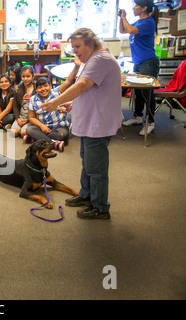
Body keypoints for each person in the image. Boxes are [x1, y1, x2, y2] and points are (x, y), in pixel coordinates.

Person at [41, 28, 122, 220]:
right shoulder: (93, 59)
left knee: (96, 167)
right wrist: (72, 103)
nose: (74, 51)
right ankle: (86, 194)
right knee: (87, 162)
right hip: (90, 122)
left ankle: (100, 207)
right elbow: (91, 90)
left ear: (91, 43)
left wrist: (57, 101)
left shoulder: (100, 59)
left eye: (78, 46)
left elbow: (83, 85)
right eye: (73, 47)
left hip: (98, 124)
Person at [118, 0, 159, 135]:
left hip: (148, 62)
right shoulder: (139, 22)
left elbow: (130, 30)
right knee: (138, 92)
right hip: (139, 62)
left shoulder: (148, 22)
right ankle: (137, 117)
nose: (133, 8)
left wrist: (124, 17)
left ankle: (150, 123)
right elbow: (123, 30)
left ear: (144, 8)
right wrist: (121, 18)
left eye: (136, 6)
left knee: (147, 93)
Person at [26, 56, 82, 151]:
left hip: (58, 127)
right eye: (40, 87)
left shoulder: (56, 92)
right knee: (29, 129)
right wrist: (42, 126)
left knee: (63, 134)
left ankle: (37, 139)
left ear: (50, 86)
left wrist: (76, 67)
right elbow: (31, 117)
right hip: (42, 127)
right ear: (36, 89)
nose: (43, 89)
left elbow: (68, 81)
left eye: (46, 86)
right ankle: (53, 144)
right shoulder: (33, 99)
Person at [11, 65, 37, 139]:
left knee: (23, 133)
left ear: (33, 76)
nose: (25, 79)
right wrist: (18, 118)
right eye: (23, 76)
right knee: (13, 132)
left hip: (32, 117)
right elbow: (15, 106)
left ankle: (27, 131)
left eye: (28, 76)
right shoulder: (18, 88)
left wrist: (28, 119)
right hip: (21, 116)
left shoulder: (36, 88)